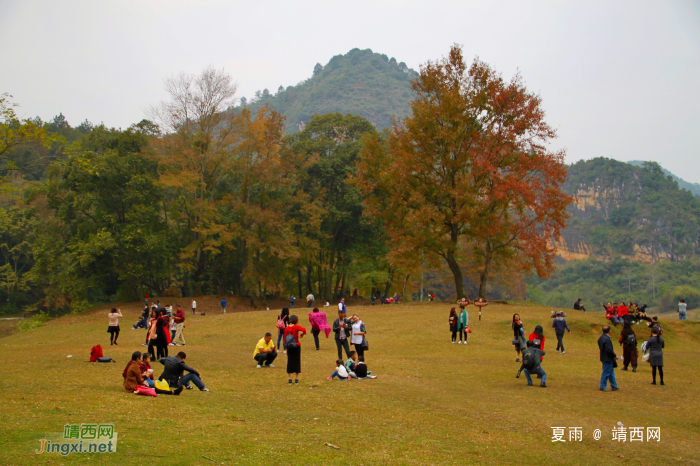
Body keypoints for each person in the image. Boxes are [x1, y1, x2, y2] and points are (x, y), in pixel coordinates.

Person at [283, 315, 306, 385]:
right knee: (297, 361)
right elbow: (304, 329)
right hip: (296, 345)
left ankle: (289, 378)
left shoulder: (286, 328)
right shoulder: (296, 327)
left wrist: (286, 348)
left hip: (289, 346)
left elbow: (284, 339)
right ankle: (296, 378)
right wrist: (302, 334)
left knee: (289, 361)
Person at [598, 325, 620, 392]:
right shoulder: (607, 339)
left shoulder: (601, 337)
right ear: (609, 331)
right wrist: (614, 356)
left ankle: (614, 386)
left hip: (604, 357)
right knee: (606, 372)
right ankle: (602, 386)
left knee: (611, 372)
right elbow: (609, 350)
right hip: (607, 358)